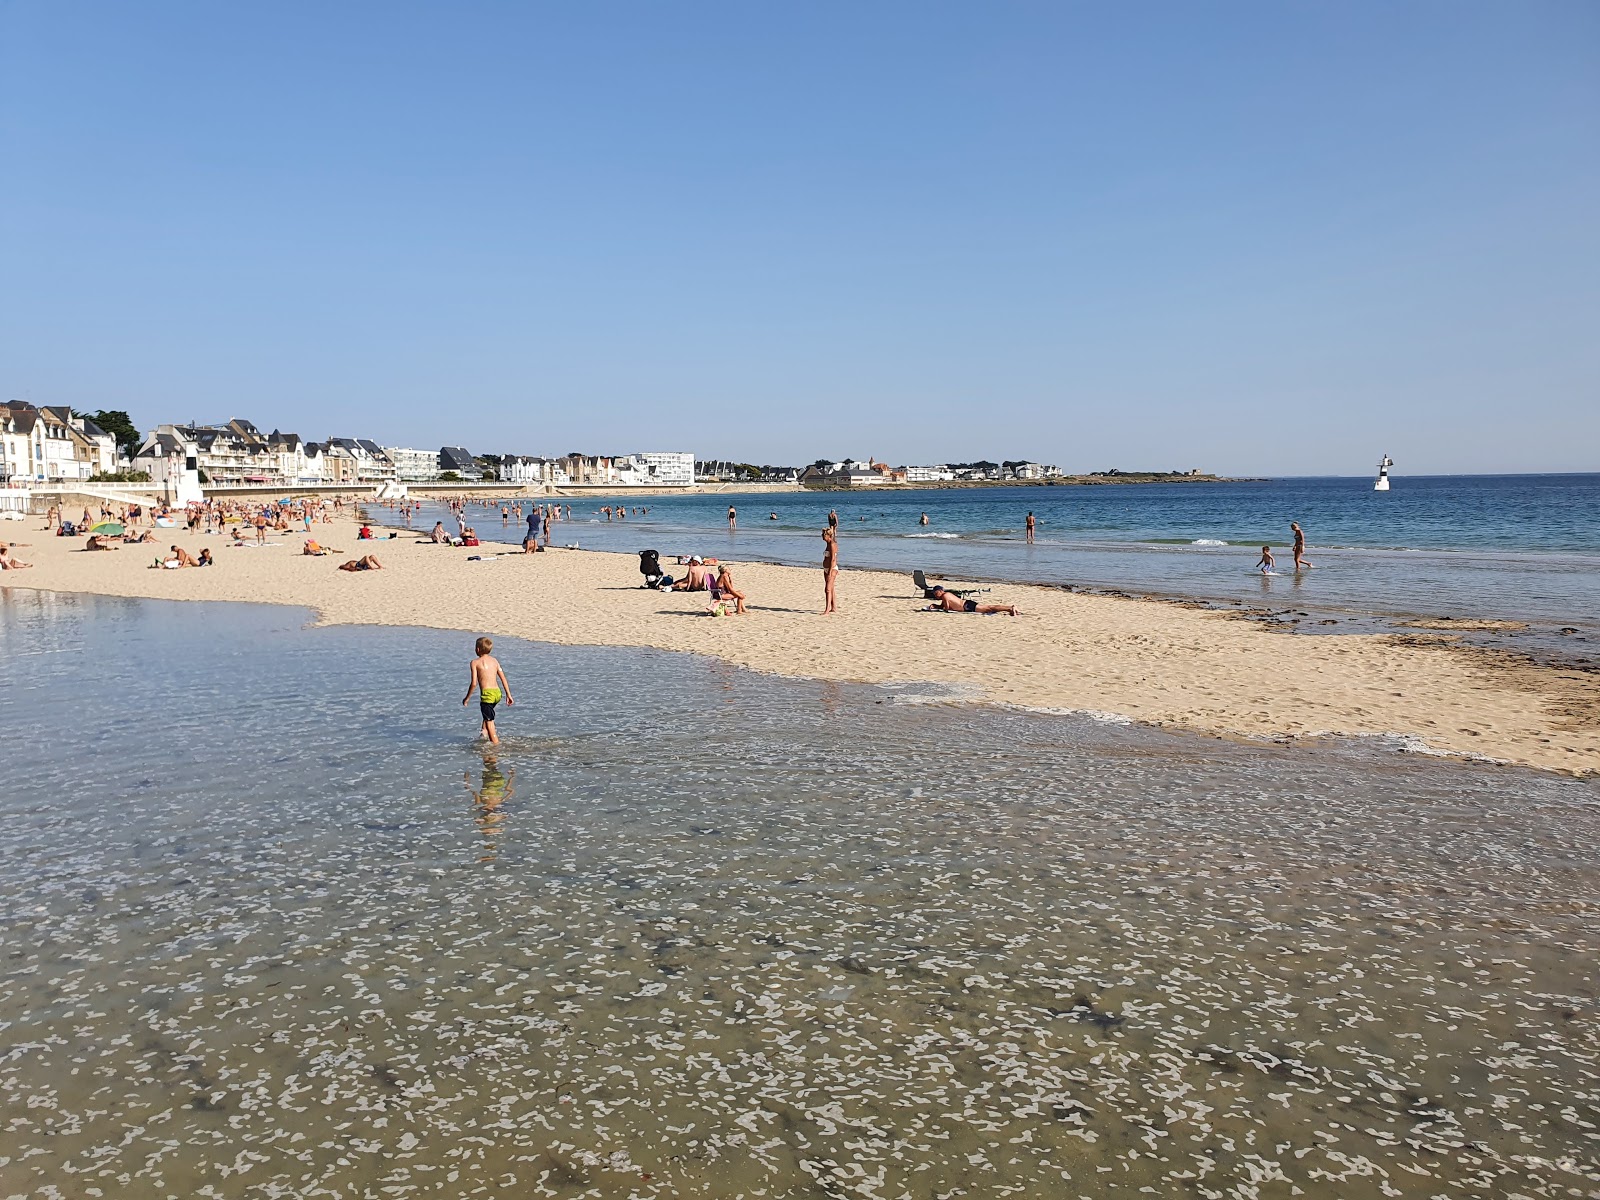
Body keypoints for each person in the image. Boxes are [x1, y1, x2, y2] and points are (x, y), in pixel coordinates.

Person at [463, 636, 513, 744]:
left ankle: (495, 745)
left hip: (487, 696)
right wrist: (508, 695)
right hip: (497, 694)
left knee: (490, 722)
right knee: (487, 715)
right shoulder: (494, 661)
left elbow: (474, 683)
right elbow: (503, 678)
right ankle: (483, 733)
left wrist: (467, 698)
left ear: (477, 649)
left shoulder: (474, 662)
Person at [927, 586, 1018, 616]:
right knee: (988, 608)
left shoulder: (945, 596)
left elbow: (946, 608)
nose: (935, 595)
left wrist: (938, 607)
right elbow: (943, 606)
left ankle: (1010, 608)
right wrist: (935, 606)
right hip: (967, 605)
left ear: (940, 591)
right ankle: (1009, 609)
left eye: (936, 593)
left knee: (989, 608)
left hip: (966, 606)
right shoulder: (946, 595)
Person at [821, 527, 838, 614]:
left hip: (832, 569)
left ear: (828, 535)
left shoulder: (832, 544)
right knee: (831, 588)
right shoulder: (827, 544)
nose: (822, 536)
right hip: (826, 569)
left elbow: (833, 559)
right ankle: (833, 607)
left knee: (827, 589)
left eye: (824, 535)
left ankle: (827, 610)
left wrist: (830, 572)